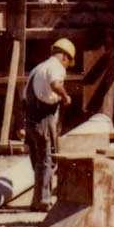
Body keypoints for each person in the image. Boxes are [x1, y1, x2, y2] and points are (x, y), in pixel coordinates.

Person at [24, 37, 76, 213]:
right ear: (65, 57)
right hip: (43, 119)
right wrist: (65, 96)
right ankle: (44, 201)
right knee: (47, 160)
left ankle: (37, 200)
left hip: (31, 119)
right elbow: (55, 84)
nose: (66, 66)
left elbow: (24, 98)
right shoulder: (56, 66)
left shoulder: (38, 68)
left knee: (38, 162)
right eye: (68, 62)